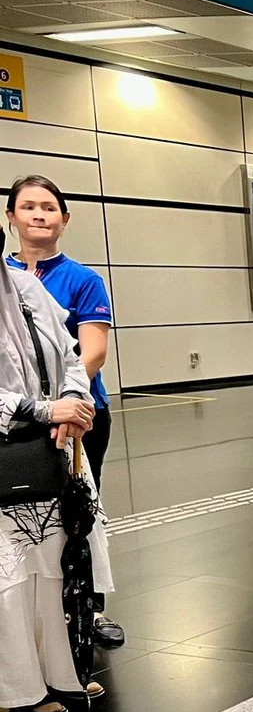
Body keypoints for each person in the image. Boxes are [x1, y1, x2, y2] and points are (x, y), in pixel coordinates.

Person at [6, 174, 123, 650]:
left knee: (79, 515)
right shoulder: (2, 277)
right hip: (16, 422)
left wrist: (61, 404)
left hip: (78, 420)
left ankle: (87, 611)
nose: (39, 214)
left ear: (65, 220)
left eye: (49, 207)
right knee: (24, 520)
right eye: (28, 206)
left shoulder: (82, 279)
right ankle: (34, 620)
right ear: (10, 217)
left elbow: (92, 351)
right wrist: (33, 408)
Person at [0, 236, 111, 712]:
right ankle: (22, 691)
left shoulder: (24, 285)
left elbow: (71, 355)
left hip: (49, 447)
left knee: (56, 566)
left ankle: (64, 674)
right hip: (10, 447)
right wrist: (42, 409)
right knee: (12, 579)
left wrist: (71, 404)